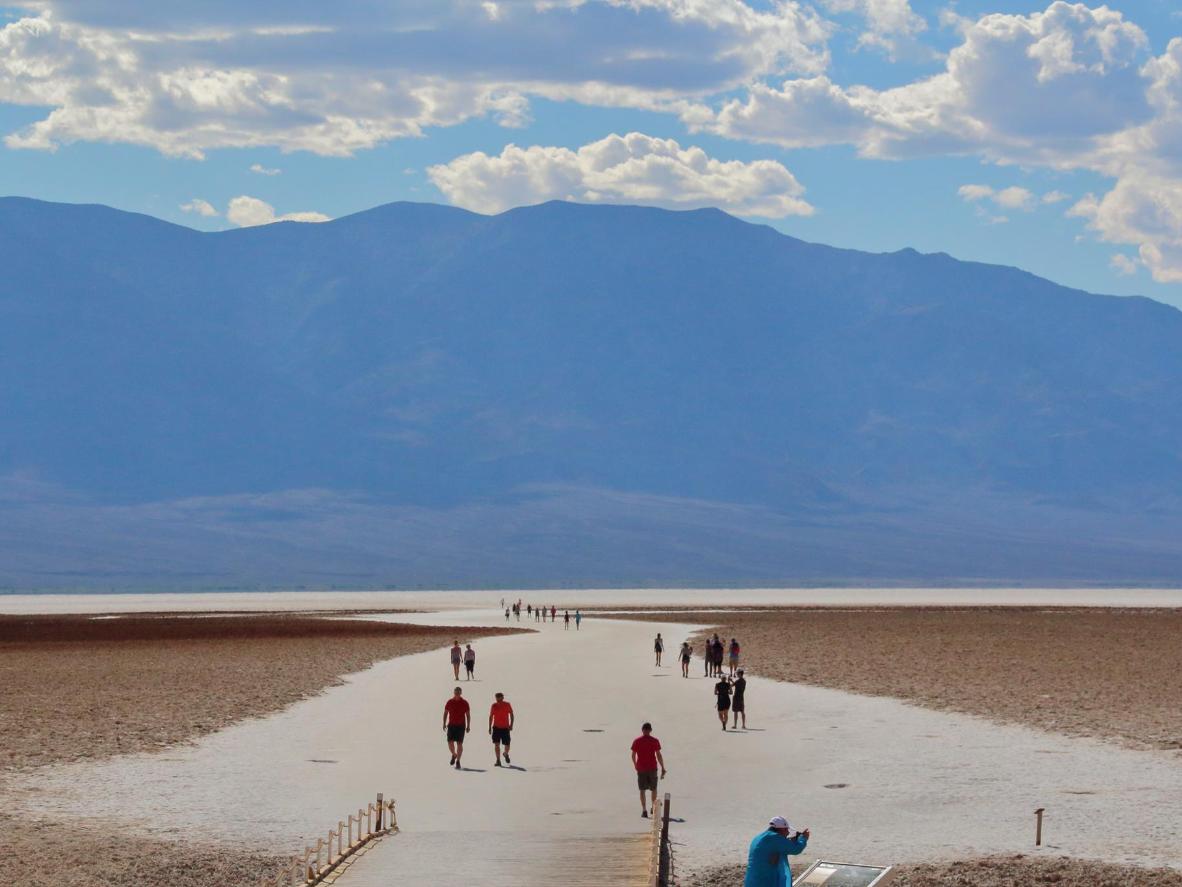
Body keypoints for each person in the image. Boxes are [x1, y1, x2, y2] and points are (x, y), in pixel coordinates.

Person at [743, 816, 809, 887]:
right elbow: (796, 849)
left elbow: (776, 848)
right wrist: (803, 838)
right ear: (781, 829)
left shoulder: (759, 837)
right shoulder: (775, 838)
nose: (788, 832)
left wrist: (791, 841)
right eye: (786, 829)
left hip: (751, 881)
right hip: (764, 881)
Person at [630, 722, 666, 818]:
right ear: (650, 730)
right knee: (653, 789)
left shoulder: (637, 741)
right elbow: (658, 755)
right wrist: (662, 767)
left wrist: (635, 765)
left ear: (642, 730)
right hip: (652, 768)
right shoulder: (654, 741)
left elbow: (633, 755)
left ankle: (644, 810)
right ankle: (653, 808)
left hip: (641, 768)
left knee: (642, 790)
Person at [443, 687, 471, 769]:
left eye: (458, 692)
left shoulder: (465, 703)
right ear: (454, 692)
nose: (457, 694)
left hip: (461, 726)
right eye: (456, 692)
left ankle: (458, 761)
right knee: (450, 742)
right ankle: (454, 754)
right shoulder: (449, 702)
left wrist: (468, 726)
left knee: (459, 743)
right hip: (451, 725)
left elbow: (468, 715)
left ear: (461, 693)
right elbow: (445, 713)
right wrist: (444, 723)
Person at [488, 692, 515, 766]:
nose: (498, 699)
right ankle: (498, 760)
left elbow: (511, 714)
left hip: (505, 728)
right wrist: (489, 727)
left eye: (499, 697)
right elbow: (491, 716)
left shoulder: (507, 704)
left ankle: (505, 754)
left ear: (502, 698)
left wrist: (511, 725)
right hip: (496, 727)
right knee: (496, 744)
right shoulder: (494, 706)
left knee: (507, 744)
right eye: (497, 698)